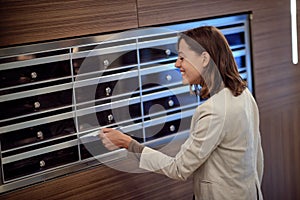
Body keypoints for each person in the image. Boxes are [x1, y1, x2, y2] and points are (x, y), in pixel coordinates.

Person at [99, 26, 264, 200]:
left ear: (204, 58)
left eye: (182, 57)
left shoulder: (214, 111)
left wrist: (128, 143)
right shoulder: (243, 94)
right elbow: (256, 160)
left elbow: (179, 169)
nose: (177, 64)